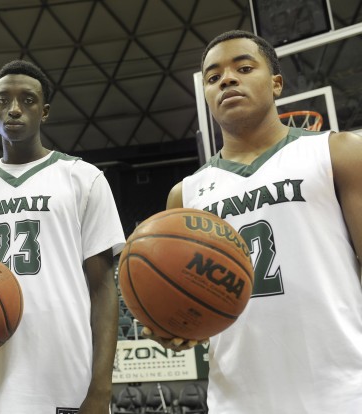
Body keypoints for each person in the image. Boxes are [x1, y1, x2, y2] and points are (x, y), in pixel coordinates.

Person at [153, 30, 362, 413]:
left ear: (277, 83)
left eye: (244, 68)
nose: (227, 79)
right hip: (237, 400)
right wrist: (177, 327)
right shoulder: (185, 194)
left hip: (344, 392)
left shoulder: (338, 152)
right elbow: (186, 307)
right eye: (213, 78)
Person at [0, 60, 126, 414]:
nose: (14, 109)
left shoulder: (83, 179)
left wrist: (101, 389)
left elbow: (103, 289)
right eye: (4, 100)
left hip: (64, 371)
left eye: (28, 100)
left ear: (44, 112)